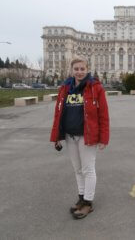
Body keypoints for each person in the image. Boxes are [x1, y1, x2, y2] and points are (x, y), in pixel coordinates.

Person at [50, 57, 109, 219]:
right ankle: (81, 198)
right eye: (76, 69)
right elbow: (59, 113)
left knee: (88, 169)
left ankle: (88, 203)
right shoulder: (65, 88)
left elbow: (103, 114)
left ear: (87, 69)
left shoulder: (95, 88)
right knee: (77, 169)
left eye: (82, 69)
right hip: (70, 136)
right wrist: (57, 136)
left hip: (87, 136)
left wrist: (103, 138)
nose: (79, 72)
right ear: (71, 70)